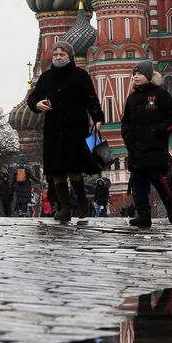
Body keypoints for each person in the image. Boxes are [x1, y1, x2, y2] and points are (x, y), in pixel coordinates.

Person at [27, 39, 104, 221]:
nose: (58, 57)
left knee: (73, 169)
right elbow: (34, 98)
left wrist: (98, 118)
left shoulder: (80, 75)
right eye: (55, 54)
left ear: (69, 56)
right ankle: (64, 209)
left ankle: (83, 203)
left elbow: (91, 99)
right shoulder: (46, 77)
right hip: (53, 130)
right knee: (57, 171)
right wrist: (37, 104)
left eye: (62, 54)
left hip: (75, 129)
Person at [120, 61, 172, 229]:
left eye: (139, 74)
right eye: (134, 74)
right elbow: (125, 120)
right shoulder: (132, 98)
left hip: (155, 147)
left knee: (157, 178)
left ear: (149, 76)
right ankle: (143, 215)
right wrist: (126, 135)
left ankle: (171, 206)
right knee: (138, 181)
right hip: (136, 148)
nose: (136, 77)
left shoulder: (160, 95)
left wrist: (161, 131)